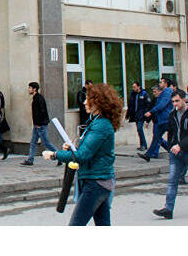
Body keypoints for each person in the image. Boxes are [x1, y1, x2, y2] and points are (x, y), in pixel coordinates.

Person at [45, 83, 121, 226]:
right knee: (103, 224)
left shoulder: (100, 126)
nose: (84, 102)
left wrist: (54, 155)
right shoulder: (97, 122)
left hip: (96, 183)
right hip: (100, 181)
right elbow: (88, 151)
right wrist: (71, 149)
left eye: (88, 99)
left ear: (99, 102)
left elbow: (82, 156)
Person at [152, 90, 188, 219]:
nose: (175, 104)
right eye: (173, 102)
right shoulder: (173, 114)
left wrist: (180, 145)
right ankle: (168, 209)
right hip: (176, 153)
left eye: (177, 101)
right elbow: (171, 132)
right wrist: (171, 146)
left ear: (184, 99)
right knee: (172, 180)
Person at [22, 82, 59, 166]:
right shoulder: (36, 98)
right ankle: (30, 160)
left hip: (40, 125)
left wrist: (38, 123)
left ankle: (59, 156)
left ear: (34, 89)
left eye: (30, 88)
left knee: (46, 143)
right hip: (37, 124)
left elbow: (42, 111)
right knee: (33, 142)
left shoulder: (38, 98)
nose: (29, 89)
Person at [138, 79, 173, 162]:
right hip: (161, 120)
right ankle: (148, 155)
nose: (159, 84)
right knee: (156, 137)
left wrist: (151, 112)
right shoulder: (164, 93)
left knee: (170, 138)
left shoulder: (167, 92)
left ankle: (176, 154)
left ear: (166, 84)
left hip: (167, 119)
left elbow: (162, 104)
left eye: (161, 82)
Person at [126, 81, 151, 151]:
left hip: (142, 115)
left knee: (140, 129)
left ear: (138, 87)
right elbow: (130, 105)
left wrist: (146, 114)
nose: (133, 88)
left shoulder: (144, 94)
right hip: (136, 115)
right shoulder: (133, 95)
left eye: (134, 87)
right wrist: (128, 114)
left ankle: (144, 145)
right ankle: (142, 144)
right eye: (132, 87)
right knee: (138, 130)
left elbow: (148, 104)